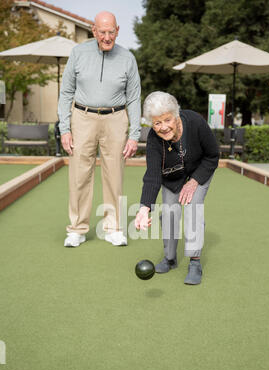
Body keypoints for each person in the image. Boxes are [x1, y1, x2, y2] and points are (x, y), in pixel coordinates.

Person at [58, 11, 141, 247]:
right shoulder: (78, 53)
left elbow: (134, 98)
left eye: (111, 32)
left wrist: (134, 135)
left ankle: (113, 228)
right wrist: (65, 128)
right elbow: (66, 93)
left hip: (116, 118)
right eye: (102, 32)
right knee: (79, 175)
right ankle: (77, 229)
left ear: (117, 31)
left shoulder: (127, 58)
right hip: (82, 117)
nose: (107, 37)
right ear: (94, 30)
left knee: (114, 174)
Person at [135, 91, 219, 285]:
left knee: (192, 206)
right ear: (151, 124)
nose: (163, 127)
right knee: (170, 212)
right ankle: (170, 258)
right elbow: (152, 175)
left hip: (199, 171)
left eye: (167, 120)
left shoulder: (195, 122)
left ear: (176, 115)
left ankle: (195, 260)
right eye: (157, 123)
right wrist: (143, 208)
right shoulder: (154, 141)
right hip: (172, 177)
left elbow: (212, 155)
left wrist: (195, 180)